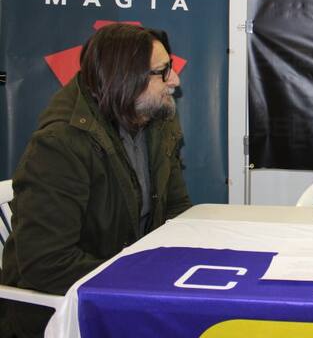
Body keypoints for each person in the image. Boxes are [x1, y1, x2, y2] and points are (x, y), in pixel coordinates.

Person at [1, 24, 192, 338]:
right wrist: (143, 275)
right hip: (60, 311)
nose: (175, 80)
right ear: (126, 80)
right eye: (162, 71)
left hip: (121, 288)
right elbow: (46, 263)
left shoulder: (155, 118)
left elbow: (176, 209)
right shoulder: (60, 144)